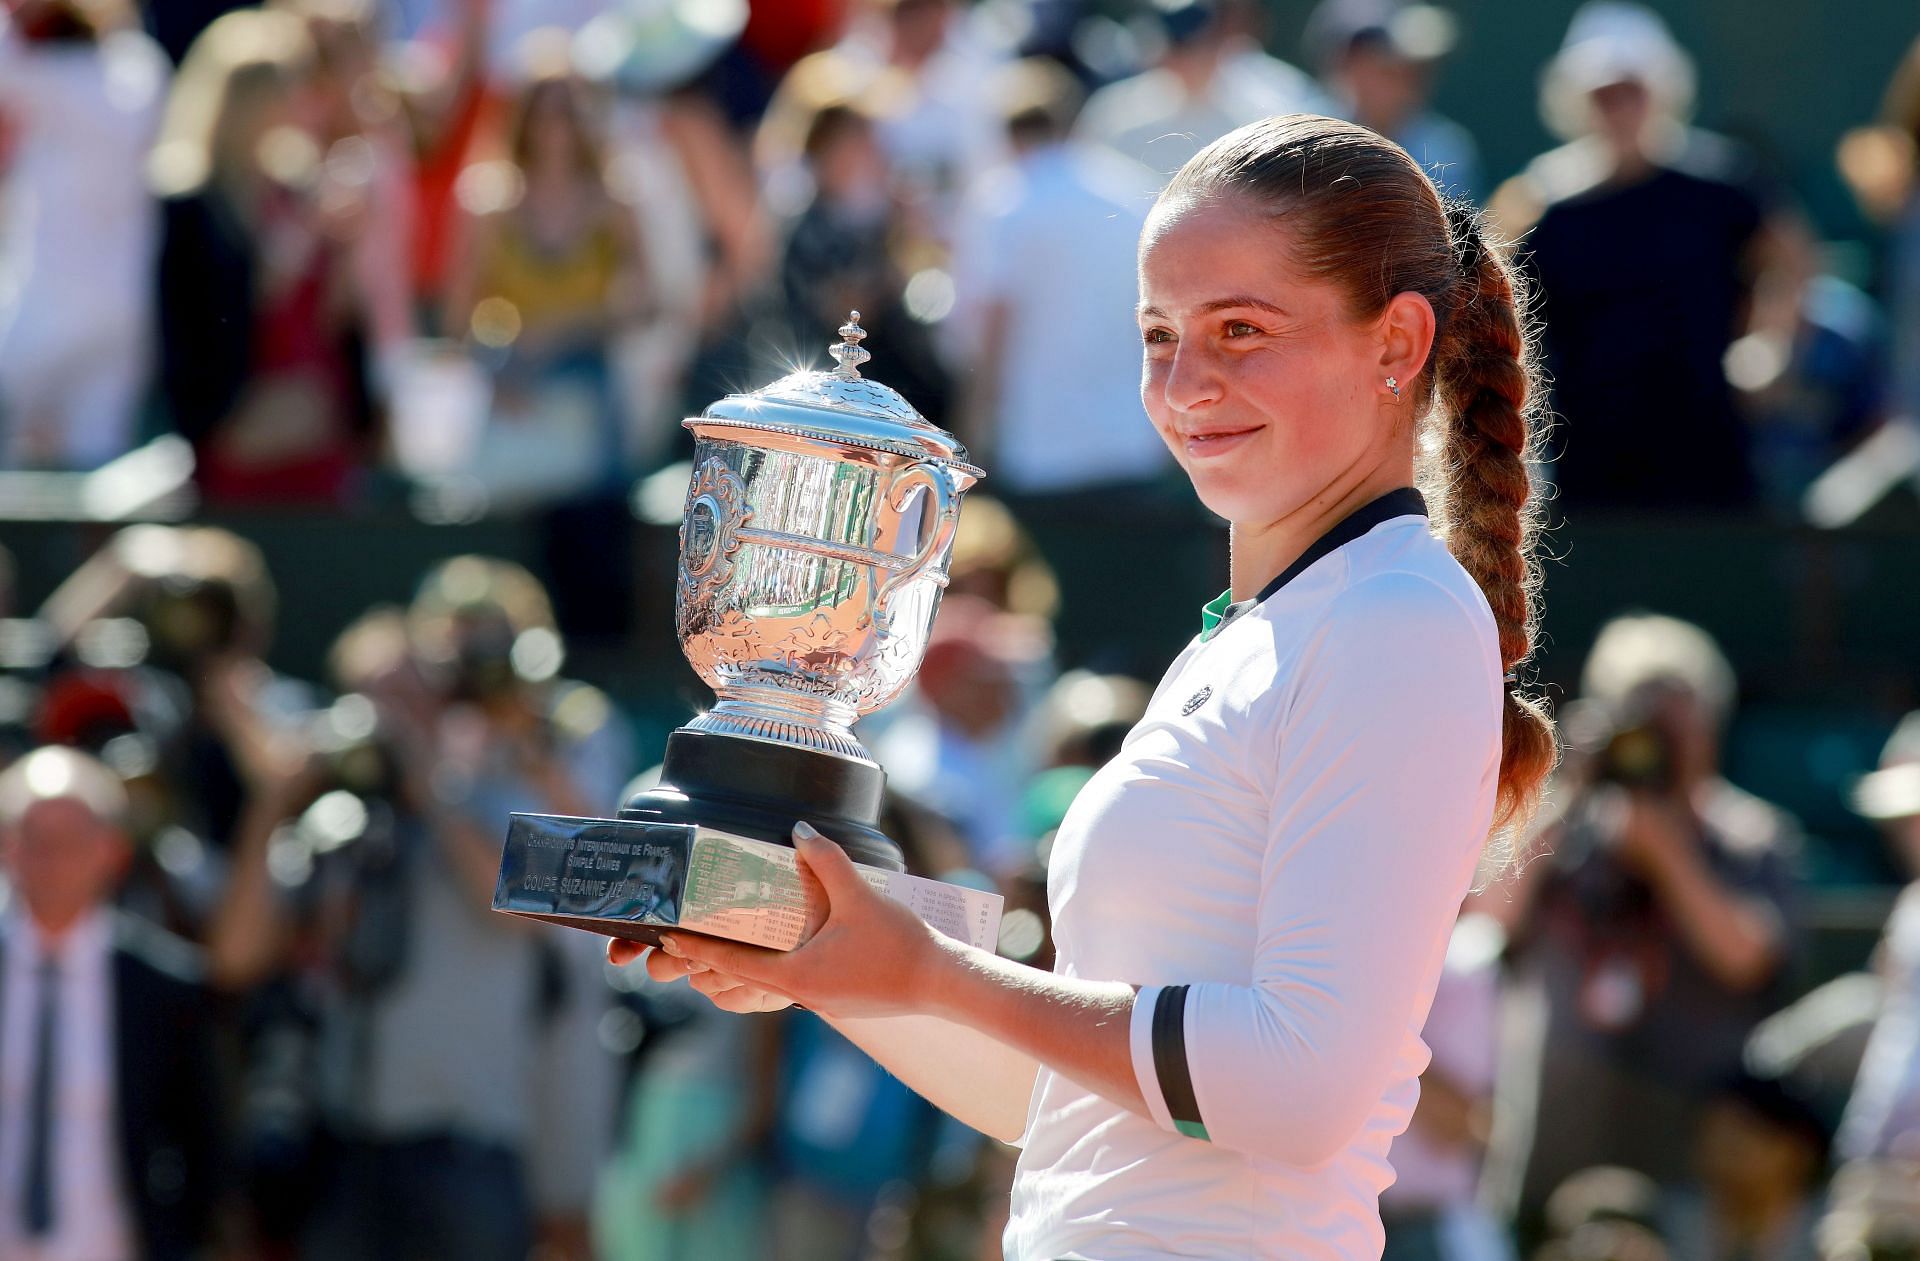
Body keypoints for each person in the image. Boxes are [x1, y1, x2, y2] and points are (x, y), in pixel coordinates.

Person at [618, 112, 1560, 1259]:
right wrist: (826, 961)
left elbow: (1298, 1091)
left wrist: (928, 968)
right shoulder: (1257, 634)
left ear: (1396, 344)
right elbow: (1065, 1103)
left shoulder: (1396, 617)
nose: (1187, 383)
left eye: (1243, 329)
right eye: (1159, 334)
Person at [1481, 613, 1803, 1230]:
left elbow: (1749, 957)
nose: (1652, 747)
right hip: (1552, 1157)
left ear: (1709, 733)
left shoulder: (1750, 838)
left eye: (1673, 727)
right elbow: (1487, 923)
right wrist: (1568, 790)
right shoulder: (1562, 832)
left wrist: (1669, 857)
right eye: (1637, 723)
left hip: (1688, 1169)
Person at [1488, 1, 1807, 514]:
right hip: (1590, 466)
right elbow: (1492, 300)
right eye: (1604, 95)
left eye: (1631, 91)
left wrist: (1770, 348)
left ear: (1661, 92)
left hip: (1708, 455)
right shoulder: (1539, 202)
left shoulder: (1722, 186)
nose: (1619, 109)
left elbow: (1792, 258)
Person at [0, 746, 223, 1261]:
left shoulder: (165, 986)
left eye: (72, 839)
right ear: (9, 849)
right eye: (35, 839)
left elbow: (200, 1140)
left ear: (112, 851)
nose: (52, 859)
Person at [0, 0, 169, 471]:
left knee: (34, 476)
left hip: (51, 313)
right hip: (103, 308)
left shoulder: (51, 76)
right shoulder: (137, 69)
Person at [1304, 0, 1480, 203]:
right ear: (1347, 64)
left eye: (1417, 71)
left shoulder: (1444, 150)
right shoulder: (1300, 143)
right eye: (1390, 71)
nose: (1409, 86)